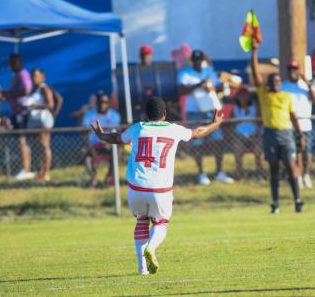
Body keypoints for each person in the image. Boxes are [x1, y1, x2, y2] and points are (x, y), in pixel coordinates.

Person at [90, 97, 224, 275]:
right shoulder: (174, 129)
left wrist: (100, 135)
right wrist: (215, 124)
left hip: (136, 187)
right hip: (160, 188)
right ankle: (151, 249)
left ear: (146, 114)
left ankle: (142, 268)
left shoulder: (138, 128)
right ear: (165, 114)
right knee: (161, 223)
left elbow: (116, 138)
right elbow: (198, 132)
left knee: (141, 220)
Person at [250, 41, 305, 214]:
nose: (277, 83)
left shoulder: (286, 96)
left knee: (291, 167)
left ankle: (298, 200)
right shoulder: (264, 94)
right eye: (274, 81)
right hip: (270, 134)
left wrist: (301, 134)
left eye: (279, 81)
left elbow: (293, 116)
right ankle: (275, 203)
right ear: (268, 83)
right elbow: (255, 72)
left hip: (286, 134)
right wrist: (254, 52)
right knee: (274, 169)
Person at [177, 50, 234, 185]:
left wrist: (215, 87)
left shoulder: (209, 70)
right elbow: (181, 90)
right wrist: (199, 84)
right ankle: (201, 174)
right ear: (192, 61)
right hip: (194, 112)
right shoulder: (185, 73)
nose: (198, 63)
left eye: (200, 60)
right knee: (197, 144)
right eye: (195, 60)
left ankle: (219, 172)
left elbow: (217, 87)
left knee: (217, 141)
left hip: (210, 110)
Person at [282, 61, 315, 189]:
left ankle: (306, 175)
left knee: (307, 152)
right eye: (291, 69)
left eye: (295, 69)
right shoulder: (283, 86)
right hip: (289, 125)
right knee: (294, 152)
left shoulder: (305, 86)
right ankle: (296, 176)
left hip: (305, 125)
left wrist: (308, 83)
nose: (293, 72)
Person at [1, 54, 34, 180]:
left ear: (19, 62)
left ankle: (26, 169)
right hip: (15, 112)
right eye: (10, 63)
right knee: (20, 141)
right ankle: (25, 168)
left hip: (22, 113)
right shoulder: (15, 76)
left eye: (13, 62)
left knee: (22, 140)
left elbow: (26, 90)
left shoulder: (23, 74)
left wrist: (10, 94)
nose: (11, 65)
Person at [22, 68, 56, 182]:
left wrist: (35, 106)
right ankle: (40, 172)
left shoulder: (44, 88)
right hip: (34, 122)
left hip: (43, 122)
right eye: (32, 76)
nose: (33, 78)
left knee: (44, 146)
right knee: (37, 147)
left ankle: (45, 173)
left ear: (42, 77)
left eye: (36, 76)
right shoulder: (33, 90)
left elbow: (50, 104)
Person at [82, 92, 121, 187]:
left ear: (108, 103)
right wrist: (89, 146)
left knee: (119, 150)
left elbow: (118, 132)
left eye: (105, 102)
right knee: (84, 152)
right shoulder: (89, 115)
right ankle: (93, 178)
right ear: (97, 103)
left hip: (110, 144)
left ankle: (108, 178)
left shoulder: (114, 115)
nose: (103, 104)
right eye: (100, 102)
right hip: (94, 144)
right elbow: (84, 132)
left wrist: (110, 143)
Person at [230, 88, 264, 179]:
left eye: (245, 96)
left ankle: (259, 174)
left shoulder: (255, 107)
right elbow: (230, 122)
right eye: (240, 96)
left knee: (258, 153)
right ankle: (239, 174)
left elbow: (260, 121)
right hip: (239, 136)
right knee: (238, 153)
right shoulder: (235, 108)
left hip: (254, 135)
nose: (243, 98)